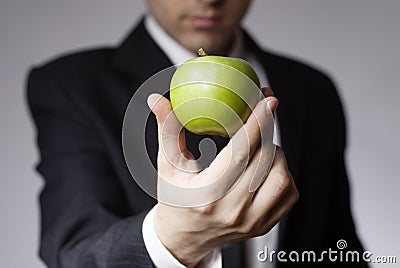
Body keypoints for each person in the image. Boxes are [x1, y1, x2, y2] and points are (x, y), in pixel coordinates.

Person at [27, 0, 368, 267]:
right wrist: (174, 239)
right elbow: (72, 250)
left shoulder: (311, 88)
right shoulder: (73, 85)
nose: (209, 0)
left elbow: (337, 246)